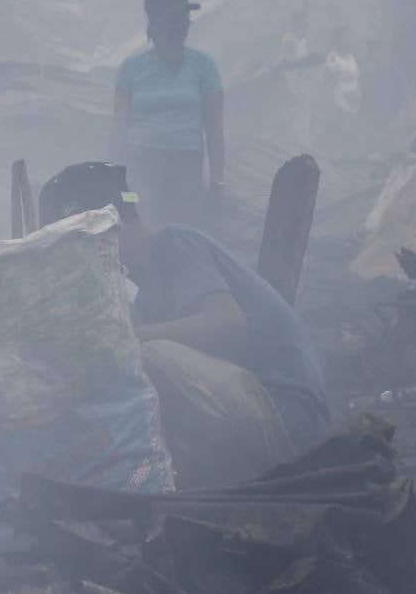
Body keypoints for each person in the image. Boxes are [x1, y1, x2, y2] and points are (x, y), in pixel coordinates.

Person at [38, 162, 334, 488]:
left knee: (141, 353)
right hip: (262, 416)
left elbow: (227, 322)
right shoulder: (145, 289)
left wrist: (125, 337)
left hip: (287, 418)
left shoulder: (174, 241)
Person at [111, 0, 225, 227]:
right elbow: (120, 126)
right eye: (169, 23)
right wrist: (115, 179)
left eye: (182, 22)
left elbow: (214, 128)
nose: (177, 29)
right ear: (153, 28)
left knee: (182, 227)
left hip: (185, 166)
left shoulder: (203, 66)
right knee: (138, 218)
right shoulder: (131, 68)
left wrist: (217, 183)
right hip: (140, 165)